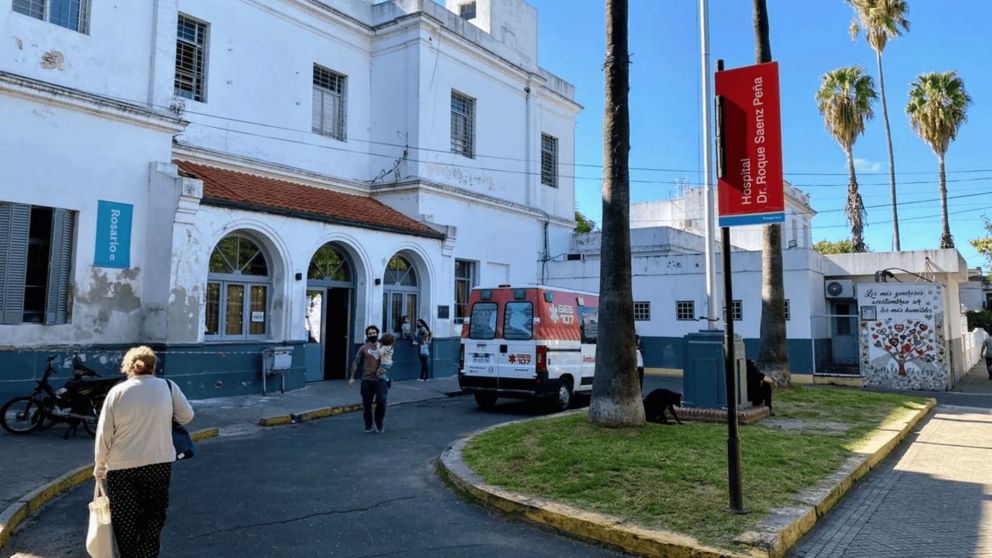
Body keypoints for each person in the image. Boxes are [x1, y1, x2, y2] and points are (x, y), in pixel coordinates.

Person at [94, 346, 194, 558]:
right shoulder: (168, 386)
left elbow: (104, 434)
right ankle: (148, 555)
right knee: (153, 516)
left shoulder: (117, 392)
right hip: (158, 463)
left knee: (125, 520)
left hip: (122, 467)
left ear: (129, 367)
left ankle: (129, 555)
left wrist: (100, 466)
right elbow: (187, 416)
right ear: (153, 366)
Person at [350, 325, 389, 432]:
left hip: (380, 380)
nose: (372, 335)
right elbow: (356, 361)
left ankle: (379, 423)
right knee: (367, 404)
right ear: (367, 335)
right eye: (370, 333)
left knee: (381, 401)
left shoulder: (383, 347)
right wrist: (352, 377)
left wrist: (386, 369)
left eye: (374, 333)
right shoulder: (363, 348)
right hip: (366, 380)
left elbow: (388, 361)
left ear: (377, 333)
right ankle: (368, 425)